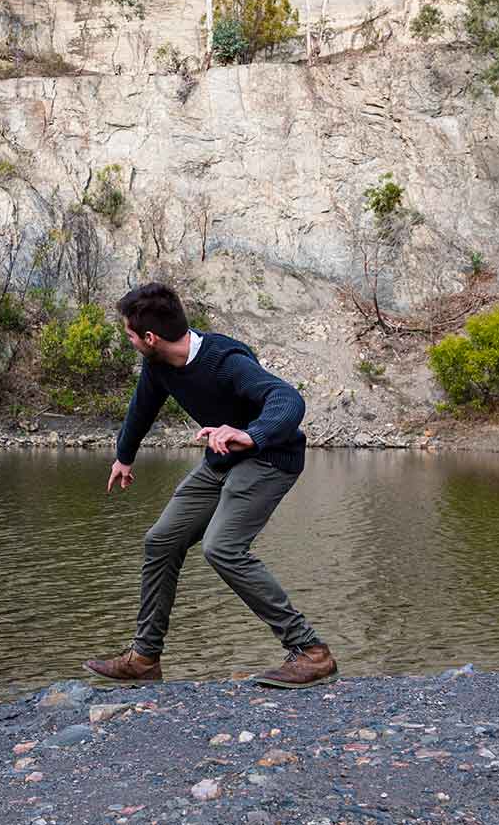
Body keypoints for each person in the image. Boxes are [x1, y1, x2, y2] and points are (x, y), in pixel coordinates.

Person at [82, 282, 336, 689]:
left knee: (223, 547)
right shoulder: (159, 366)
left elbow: (288, 400)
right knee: (161, 540)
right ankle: (144, 658)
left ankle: (311, 652)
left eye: (130, 334)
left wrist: (252, 435)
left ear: (150, 338)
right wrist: (124, 456)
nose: (128, 340)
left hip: (270, 458)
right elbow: (142, 406)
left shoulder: (225, 360)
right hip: (222, 462)